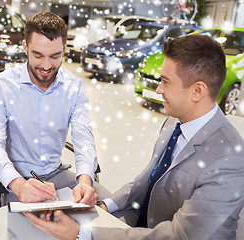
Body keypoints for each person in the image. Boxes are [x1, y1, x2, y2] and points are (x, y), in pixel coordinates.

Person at [24, 34, 244, 239]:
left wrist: (83, 232)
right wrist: (104, 206)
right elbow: (147, 179)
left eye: (166, 82)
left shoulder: (229, 159)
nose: (158, 90)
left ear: (198, 91)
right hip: (139, 223)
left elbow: (179, 235)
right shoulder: (173, 123)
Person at [0, 12, 111, 206]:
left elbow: (84, 138)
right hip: (19, 180)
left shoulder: (74, 87)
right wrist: (18, 185)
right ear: (25, 47)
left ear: (64, 49)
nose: (46, 65)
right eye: (38, 55)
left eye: (55, 56)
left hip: (58, 175)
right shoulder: (1, 85)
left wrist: (85, 180)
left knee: (116, 208)